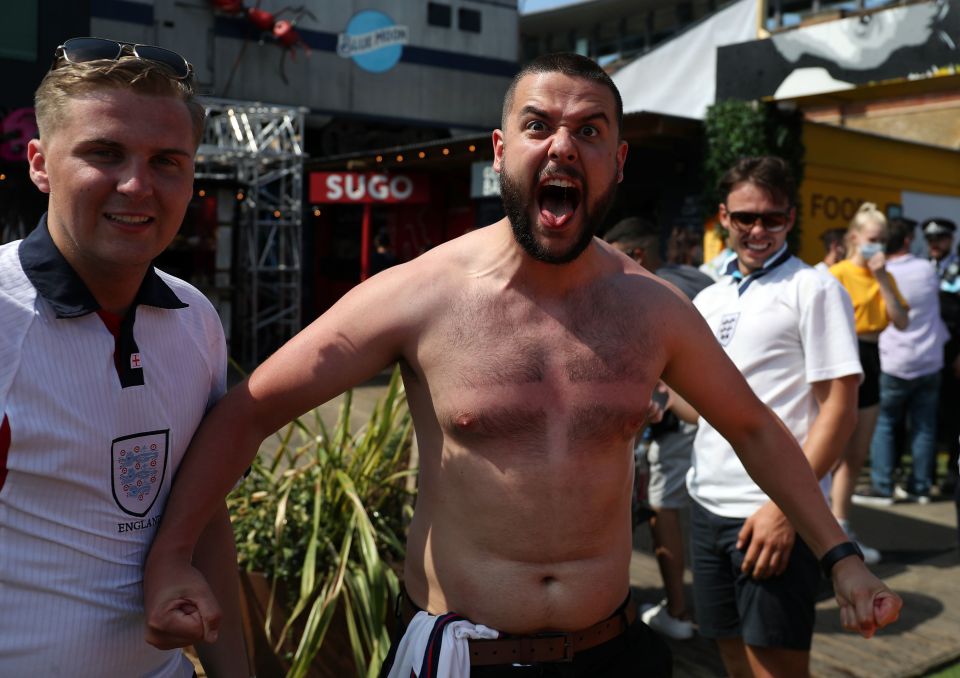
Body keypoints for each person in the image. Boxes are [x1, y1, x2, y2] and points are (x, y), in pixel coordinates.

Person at [142, 53, 901, 678]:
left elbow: (754, 427)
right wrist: (174, 554)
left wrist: (842, 557)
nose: (562, 147)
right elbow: (248, 412)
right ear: (501, 151)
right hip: (464, 656)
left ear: (617, 161)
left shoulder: (655, 309)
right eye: (538, 126)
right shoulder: (418, 295)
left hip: (611, 653)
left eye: (590, 131)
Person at [0, 37, 247, 676]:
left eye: (167, 161)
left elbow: (204, 510)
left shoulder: (195, 319)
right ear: (40, 163)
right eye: (105, 153)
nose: (137, 185)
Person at [674, 156, 862, 677]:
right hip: (707, 504)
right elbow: (706, 408)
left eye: (772, 218)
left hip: (772, 510)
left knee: (776, 670)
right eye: (745, 218)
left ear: (791, 218)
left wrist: (786, 511)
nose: (758, 230)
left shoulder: (814, 288)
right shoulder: (710, 297)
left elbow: (840, 410)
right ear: (723, 217)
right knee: (733, 661)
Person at [603, 216, 713, 640]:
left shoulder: (650, 291)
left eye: (613, 253)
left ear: (637, 255)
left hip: (679, 415)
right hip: (719, 412)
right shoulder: (697, 279)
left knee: (664, 509)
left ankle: (679, 611)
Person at [829, 203, 909, 564]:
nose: (878, 247)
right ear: (855, 238)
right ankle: (813, 526)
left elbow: (902, 321)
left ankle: (841, 526)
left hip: (873, 358)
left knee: (855, 454)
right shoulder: (839, 273)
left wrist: (880, 279)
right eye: (873, 240)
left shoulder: (884, 275)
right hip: (843, 357)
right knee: (827, 448)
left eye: (882, 241)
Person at [853, 218, 947, 505]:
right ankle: (920, 486)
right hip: (929, 359)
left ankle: (882, 485)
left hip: (893, 360)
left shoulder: (880, 274)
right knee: (924, 427)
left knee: (885, 424)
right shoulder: (925, 270)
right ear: (907, 241)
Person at [923, 217, 960, 495]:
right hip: (925, 356)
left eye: (940, 239)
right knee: (926, 416)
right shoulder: (922, 267)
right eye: (931, 240)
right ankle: (924, 475)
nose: (935, 244)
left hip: (951, 356)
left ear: (950, 240)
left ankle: (950, 475)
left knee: (952, 415)